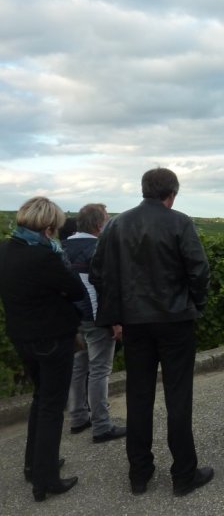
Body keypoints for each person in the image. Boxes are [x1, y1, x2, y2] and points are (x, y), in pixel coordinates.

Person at [90, 168, 212, 497]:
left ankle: (139, 474)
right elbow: (199, 270)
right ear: (171, 193)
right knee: (178, 398)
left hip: (134, 323)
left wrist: (114, 317)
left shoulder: (115, 224)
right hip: (175, 321)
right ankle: (184, 474)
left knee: (139, 398)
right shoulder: (179, 222)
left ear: (144, 190)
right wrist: (194, 304)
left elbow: (99, 274)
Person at [0, 197, 85, 501]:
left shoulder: (5, 250)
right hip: (52, 338)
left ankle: (33, 465)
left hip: (22, 337)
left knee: (40, 399)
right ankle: (46, 480)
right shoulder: (45, 257)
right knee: (51, 406)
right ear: (49, 227)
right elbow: (75, 288)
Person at [63, 203, 127, 443]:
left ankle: (78, 417)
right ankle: (102, 425)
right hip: (97, 318)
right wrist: (115, 321)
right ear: (100, 224)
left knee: (79, 367)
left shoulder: (64, 246)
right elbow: (105, 288)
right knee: (100, 370)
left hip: (73, 318)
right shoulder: (99, 248)